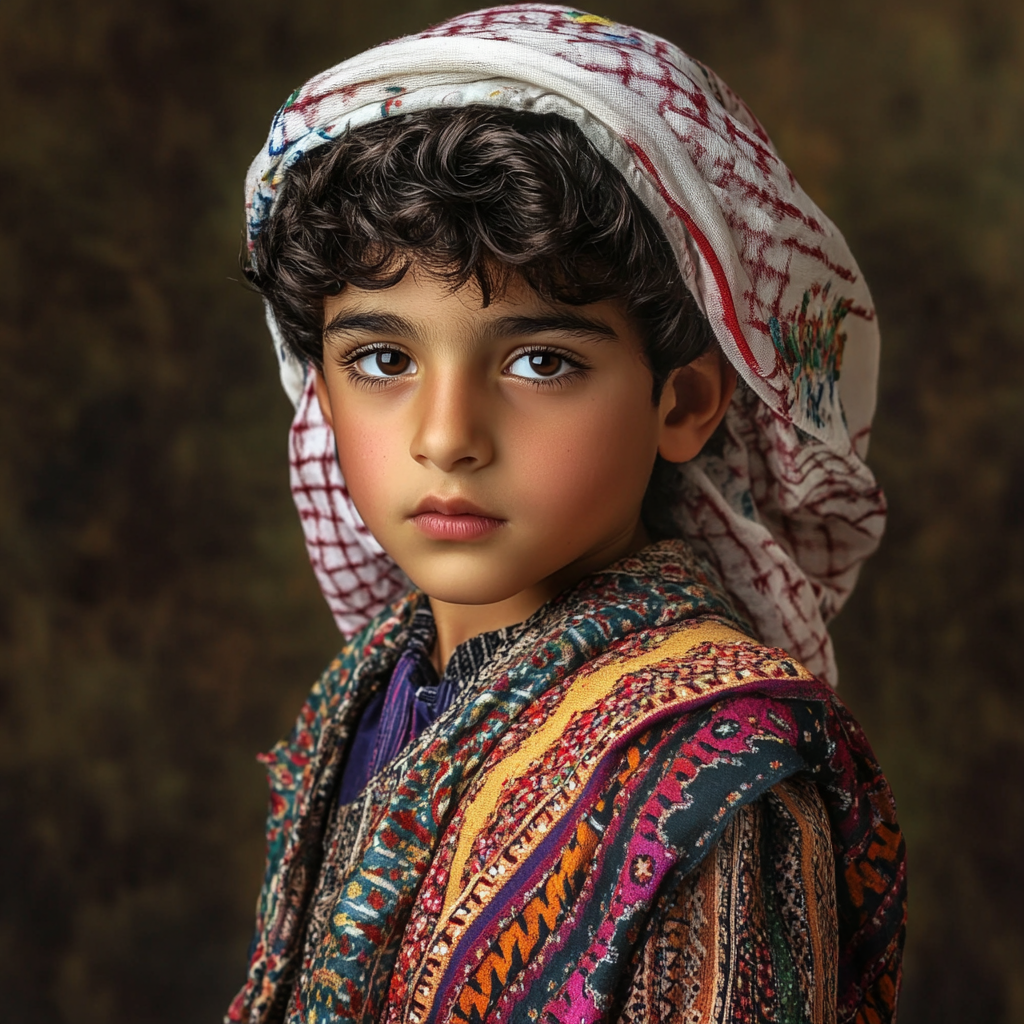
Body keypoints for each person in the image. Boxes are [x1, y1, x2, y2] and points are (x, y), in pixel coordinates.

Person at [229, 6, 906, 1023]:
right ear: (319, 394)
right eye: (383, 360)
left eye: (540, 362)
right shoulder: (364, 699)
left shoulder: (712, 774)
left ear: (680, 403)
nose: (447, 436)